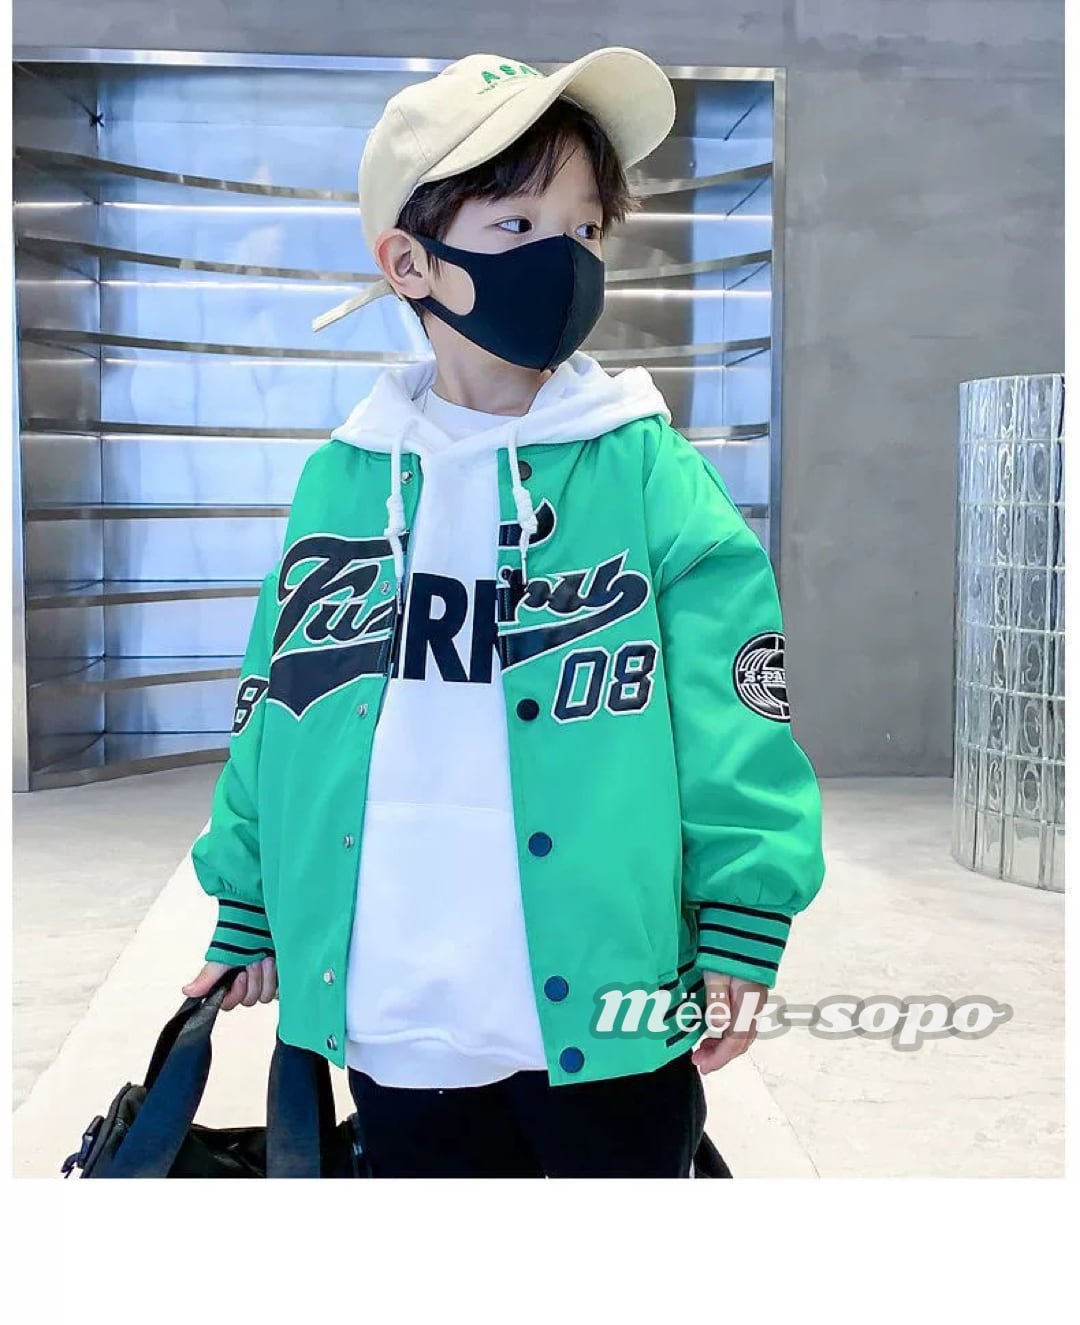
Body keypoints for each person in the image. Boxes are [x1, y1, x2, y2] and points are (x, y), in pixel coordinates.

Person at [182, 47, 826, 1178]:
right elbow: (276, 707)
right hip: (395, 993)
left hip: (606, 993)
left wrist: (742, 908)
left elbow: (735, 710)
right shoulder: (344, 479)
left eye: (584, 230)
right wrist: (249, 900)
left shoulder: (646, 471)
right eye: (519, 225)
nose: (563, 260)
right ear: (409, 262)